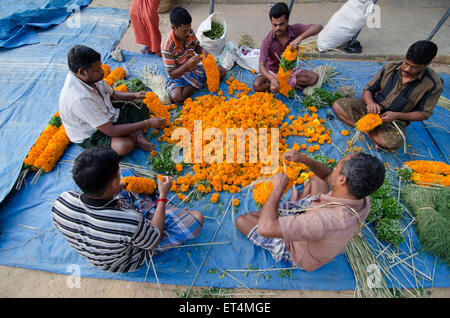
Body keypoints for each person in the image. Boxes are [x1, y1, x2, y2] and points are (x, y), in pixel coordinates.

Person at [52, 147, 204, 273]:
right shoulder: (128, 221)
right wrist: (163, 198)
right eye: (116, 175)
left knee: (127, 174)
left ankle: (152, 207)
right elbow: (153, 239)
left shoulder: (62, 200)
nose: (118, 175)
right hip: (129, 257)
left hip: (110, 231)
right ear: (112, 183)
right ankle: (158, 206)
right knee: (195, 219)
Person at [235, 151, 385, 272]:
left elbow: (266, 228)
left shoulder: (322, 220)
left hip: (298, 251)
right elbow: (327, 176)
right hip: (317, 219)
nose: (334, 169)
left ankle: (290, 214)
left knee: (243, 221)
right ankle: (293, 210)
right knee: (318, 180)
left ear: (342, 180)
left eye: (337, 167)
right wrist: (304, 159)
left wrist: (277, 189)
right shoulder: (362, 198)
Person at [332, 40, 444, 150]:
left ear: (427, 64)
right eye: (406, 63)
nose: (407, 69)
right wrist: (370, 103)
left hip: (394, 121)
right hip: (372, 110)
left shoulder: (433, 84)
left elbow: (423, 114)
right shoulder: (390, 68)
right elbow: (368, 90)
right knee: (338, 105)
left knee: (393, 142)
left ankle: (368, 131)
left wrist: (396, 115)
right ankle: (368, 133)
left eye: (414, 67)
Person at [59, 45, 166, 156]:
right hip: (93, 133)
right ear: (81, 72)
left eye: (100, 66)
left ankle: (137, 135)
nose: (102, 72)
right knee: (124, 145)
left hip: (107, 114)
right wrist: (146, 123)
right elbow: (110, 130)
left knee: (141, 106)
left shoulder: (90, 77)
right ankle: (133, 136)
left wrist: (134, 95)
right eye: (97, 70)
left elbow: (112, 93)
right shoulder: (80, 99)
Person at [161, 7, 227, 104]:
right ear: (173, 27)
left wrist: (202, 51)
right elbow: (172, 74)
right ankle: (200, 83)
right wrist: (187, 65)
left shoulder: (189, 32)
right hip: (179, 75)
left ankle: (197, 83)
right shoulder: (167, 46)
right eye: (184, 30)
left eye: (189, 29)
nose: (188, 33)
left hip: (193, 69)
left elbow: (196, 46)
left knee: (222, 71)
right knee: (177, 97)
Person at [254, 2, 323, 93]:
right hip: (273, 72)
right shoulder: (267, 40)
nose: (278, 28)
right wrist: (272, 79)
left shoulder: (295, 29)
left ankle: (283, 84)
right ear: (271, 23)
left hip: (290, 72)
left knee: (313, 78)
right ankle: (281, 84)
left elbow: (319, 27)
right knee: (257, 85)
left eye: (281, 24)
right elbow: (261, 66)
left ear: (287, 21)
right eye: (275, 25)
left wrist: (299, 38)